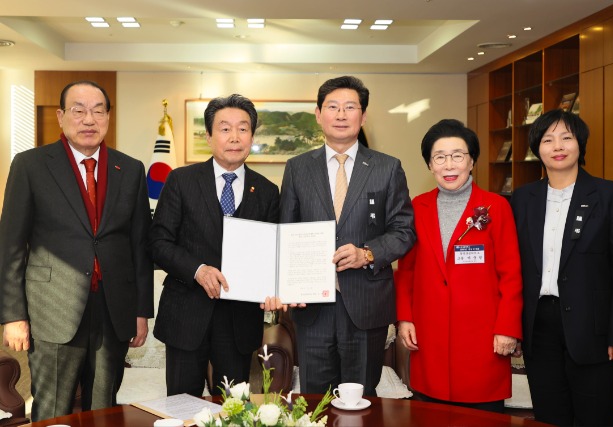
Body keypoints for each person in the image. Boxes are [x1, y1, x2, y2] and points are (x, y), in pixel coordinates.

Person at [0, 80, 154, 421]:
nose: (89, 119)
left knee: (104, 408)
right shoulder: (30, 166)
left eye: (98, 111)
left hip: (113, 311)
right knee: (53, 409)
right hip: (52, 310)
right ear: (60, 116)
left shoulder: (129, 169)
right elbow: (10, 245)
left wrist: (141, 310)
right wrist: (13, 316)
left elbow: (138, 246)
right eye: (79, 110)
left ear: (108, 117)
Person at [280, 76, 415, 396]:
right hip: (312, 307)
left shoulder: (387, 167)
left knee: (362, 399)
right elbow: (286, 232)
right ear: (318, 113)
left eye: (350, 107)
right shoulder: (297, 167)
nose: (341, 114)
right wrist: (284, 284)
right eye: (333, 107)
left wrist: (367, 253)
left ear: (363, 116)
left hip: (366, 306)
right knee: (314, 400)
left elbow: (404, 230)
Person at [511, 109, 613, 426]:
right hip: (539, 327)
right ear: (536, 148)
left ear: (580, 144)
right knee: (550, 415)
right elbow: (514, 267)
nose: (558, 146)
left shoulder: (609, 194)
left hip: (594, 330)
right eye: (548, 139)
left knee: (596, 416)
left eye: (566, 137)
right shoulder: (522, 198)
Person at [149, 94, 281, 397]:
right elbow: (158, 242)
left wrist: (275, 287)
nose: (234, 137)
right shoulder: (181, 181)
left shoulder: (267, 191)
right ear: (209, 136)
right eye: (224, 129)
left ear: (252, 135)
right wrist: (197, 270)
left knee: (233, 410)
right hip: (186, 314)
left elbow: (271, 253)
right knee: (182, 408)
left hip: (239, 321)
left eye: (243, 128)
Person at [395, 119, 523, 413]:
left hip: (483, 339)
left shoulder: (495, 207)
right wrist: (405, 318)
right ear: (430, 164)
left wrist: (507, 328)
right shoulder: (417, 207)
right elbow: (407, 271)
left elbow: (511, 275)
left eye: (458, 155)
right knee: (430, 415)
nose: (449, 165)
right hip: (430, 339)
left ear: (472, 160)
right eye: (439, 157)